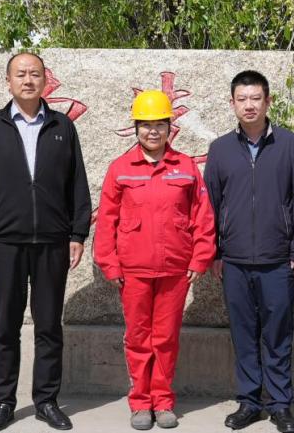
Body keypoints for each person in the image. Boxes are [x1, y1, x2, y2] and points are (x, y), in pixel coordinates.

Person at [0, 52, 92, 433]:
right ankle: (4, 402)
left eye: (35, 74)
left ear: (45, 80)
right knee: (5, 326)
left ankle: (47, 401)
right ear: (9, 81)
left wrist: (77, 233)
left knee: (49, 326)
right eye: (21, 74)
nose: (28, 80)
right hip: (6, 242)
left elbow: (77, 184)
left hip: (52, 241)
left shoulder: (62, 126)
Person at [93, 90, 216, 431]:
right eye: (146, 125)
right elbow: (107, 221)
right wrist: (110, 264)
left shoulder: (186, 167)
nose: (153, 131)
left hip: (175, 269)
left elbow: (202, 217)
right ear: (136, 128)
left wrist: (200, 259)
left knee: (166, 338)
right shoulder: (120, 169)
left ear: (169, 128)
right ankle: (140, 402)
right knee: (138, 338)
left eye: (160, 125)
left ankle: (163, 401)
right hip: (133, 270)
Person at [203, 70, 294, 433]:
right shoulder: (220, 149)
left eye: (256, 98)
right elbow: (210, 205)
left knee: (278, 335)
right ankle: (249, 402)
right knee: (244, 334)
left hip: (278, 260)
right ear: (232, 103)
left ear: (268, 102)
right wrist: (214, 252)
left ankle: (280, 405)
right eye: (242, 99)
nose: (249, 105)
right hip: (234, 261)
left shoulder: (290, 145)